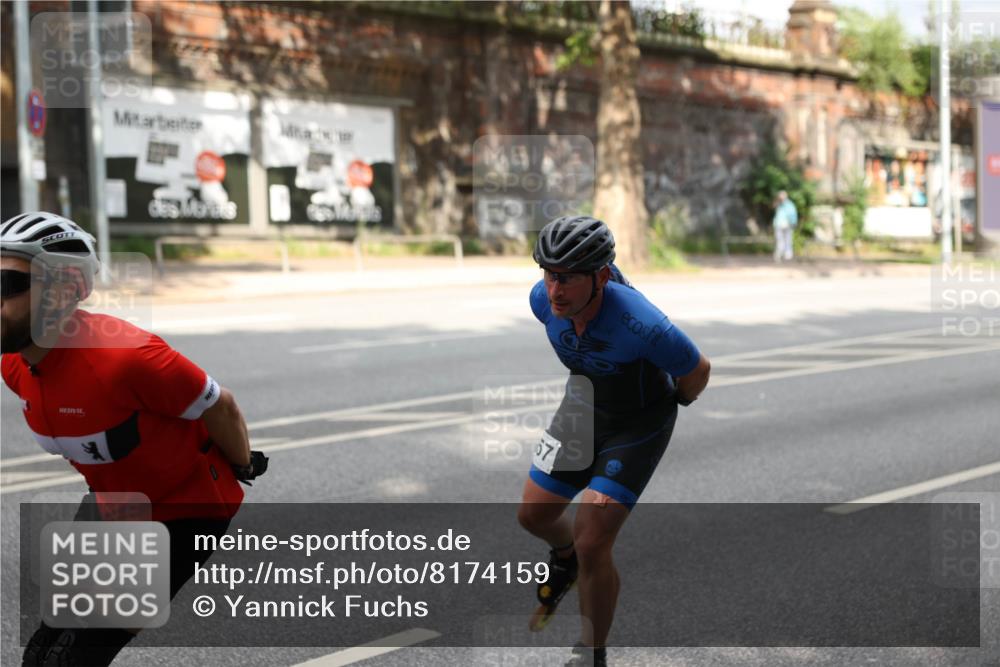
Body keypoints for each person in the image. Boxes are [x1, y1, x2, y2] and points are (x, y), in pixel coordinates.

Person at [1, 212, 267, 666]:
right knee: (46, 641)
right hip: (112, 498)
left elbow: (222, 406)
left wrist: (241, 465)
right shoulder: (15, 364)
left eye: (8, 284)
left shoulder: (129, 357)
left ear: (63, 294)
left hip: (185, 512)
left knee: (81, 653)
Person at [517, 216, 711, 666]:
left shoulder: (642, 323)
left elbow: (697, 372)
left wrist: (671, 403)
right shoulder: (541, 302)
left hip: (638, 427)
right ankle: (563, 561)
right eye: (548, 274)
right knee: (533, 514)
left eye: (567, 278)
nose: (554, 289)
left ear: (601, 276)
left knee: (593, 541)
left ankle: (591, 652)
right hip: (582, 410)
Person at [772, 190, 798, 262]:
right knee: (780, 240)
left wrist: (793, 223)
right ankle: (779, 254)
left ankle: (787, 255)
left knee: (788, 239)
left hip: (787, 224)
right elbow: (773, 206)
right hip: (779, 224)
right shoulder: (778, 204)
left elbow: (792, 215)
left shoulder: (789, 204)